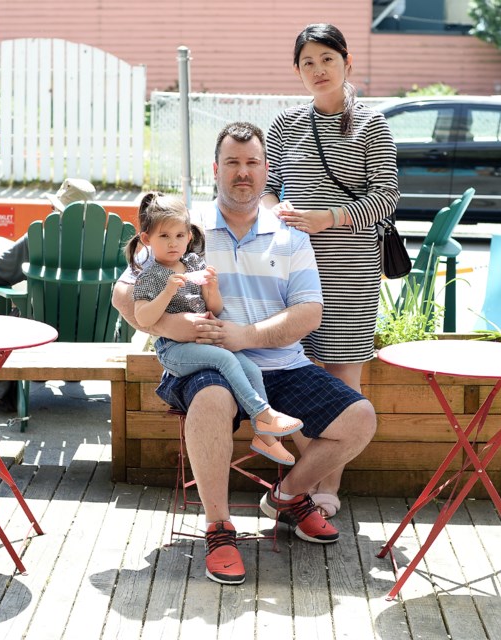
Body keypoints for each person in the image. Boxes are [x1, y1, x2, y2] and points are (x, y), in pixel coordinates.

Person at [113, 121, 377, 586]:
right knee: (213, 399)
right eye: (232, 162)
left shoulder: (289, 235)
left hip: (280, 364)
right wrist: (165, 323)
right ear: (216, 169)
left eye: (252, 162)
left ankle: (287, 497)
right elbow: (124, 290)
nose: (243, 172)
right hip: (204, 364)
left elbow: (309, 313)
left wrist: (247, 335)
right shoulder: (188, 230)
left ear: (266, 169)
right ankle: (219, 528)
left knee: (361, 418)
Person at [260, 23, 400, 519]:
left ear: (347, 63)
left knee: (340, 376)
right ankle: (303, 478)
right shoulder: (284, 125)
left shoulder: (371, 124)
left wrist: (329, 218)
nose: (318, 70)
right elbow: (267, 186)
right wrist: (277, 210)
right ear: (297, 71)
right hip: (292, 269)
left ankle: (321, 489)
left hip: (350, 270)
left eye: (327, 59)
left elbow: (386, 198)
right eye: (307, 63)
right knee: (295, 372)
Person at [127, 192, 305, 465]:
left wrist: (211, 289)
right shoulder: (150, 276)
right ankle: (264, 415)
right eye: (164, 237)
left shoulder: (193, 264)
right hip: (174, 350)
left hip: (203, 344)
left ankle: (265, 437)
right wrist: (167, 291)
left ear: (188, 237)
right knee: (225, 359)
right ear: (147, 240)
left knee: (250, 367)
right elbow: (144, 317)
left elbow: (216, 308)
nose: (173, 243)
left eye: (179, 235)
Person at [0, 177, 95, 410]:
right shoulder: (106, 243)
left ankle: (5, 396)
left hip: (42, 330)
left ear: (57, 209)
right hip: (91, 330)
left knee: (10, 317)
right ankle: (68, 373)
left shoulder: (40, 238)